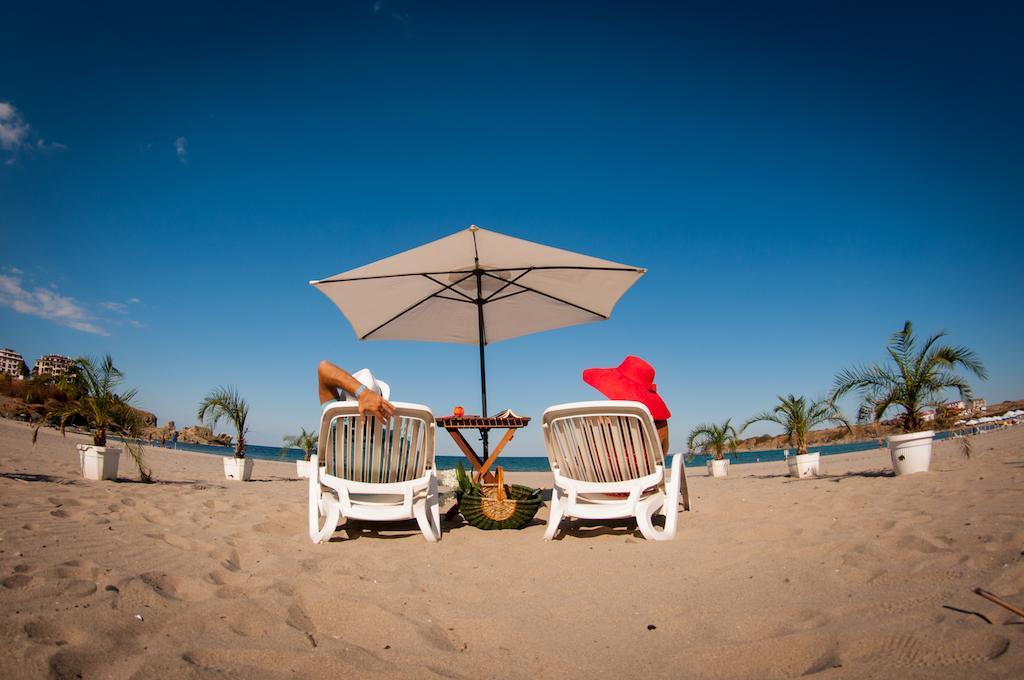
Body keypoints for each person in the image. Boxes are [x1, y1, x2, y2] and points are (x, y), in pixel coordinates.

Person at [582, 355, 671, 454]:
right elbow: (662, 453)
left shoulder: (595, 418)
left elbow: (582, 451)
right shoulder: (660, 424)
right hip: (641, 463)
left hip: (596, 463)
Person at [317, 360, 395, 420]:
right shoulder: (388, 435)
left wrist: (362, 392)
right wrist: (365, 394)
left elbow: (323, 368)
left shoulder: (336, 423)